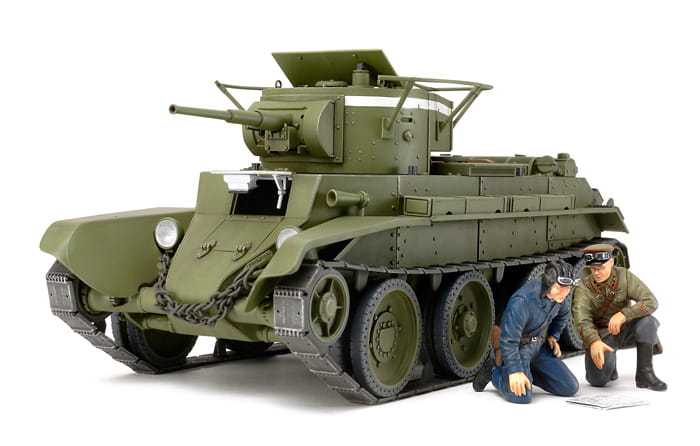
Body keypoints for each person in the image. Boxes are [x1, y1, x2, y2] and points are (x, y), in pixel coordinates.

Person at [472, 260, 579, 403]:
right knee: (521, 397)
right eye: (560, 287)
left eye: (568, 288)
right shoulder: (522, 301)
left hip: (537, 346)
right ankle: (494, 372)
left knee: (570, 387)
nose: (565, 292)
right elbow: (508, 340)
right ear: (549, 282)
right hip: (517, 347)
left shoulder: (559, 298)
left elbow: (562, 316)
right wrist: (515, 371)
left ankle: (527, 372)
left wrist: (553, 336)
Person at [572, 244, 666, 391]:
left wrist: (624, 314)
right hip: (602, 335)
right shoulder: (583, 288)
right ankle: (610, 367)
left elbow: (650, 301)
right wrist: (594, 341)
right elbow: (582, 321)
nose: (596, 273)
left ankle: (645, 373)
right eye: (593, 268)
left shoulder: (624, 276)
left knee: (648, 322)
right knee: (597, 380)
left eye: (601, 267)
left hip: (624, 329)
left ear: (611, 262)